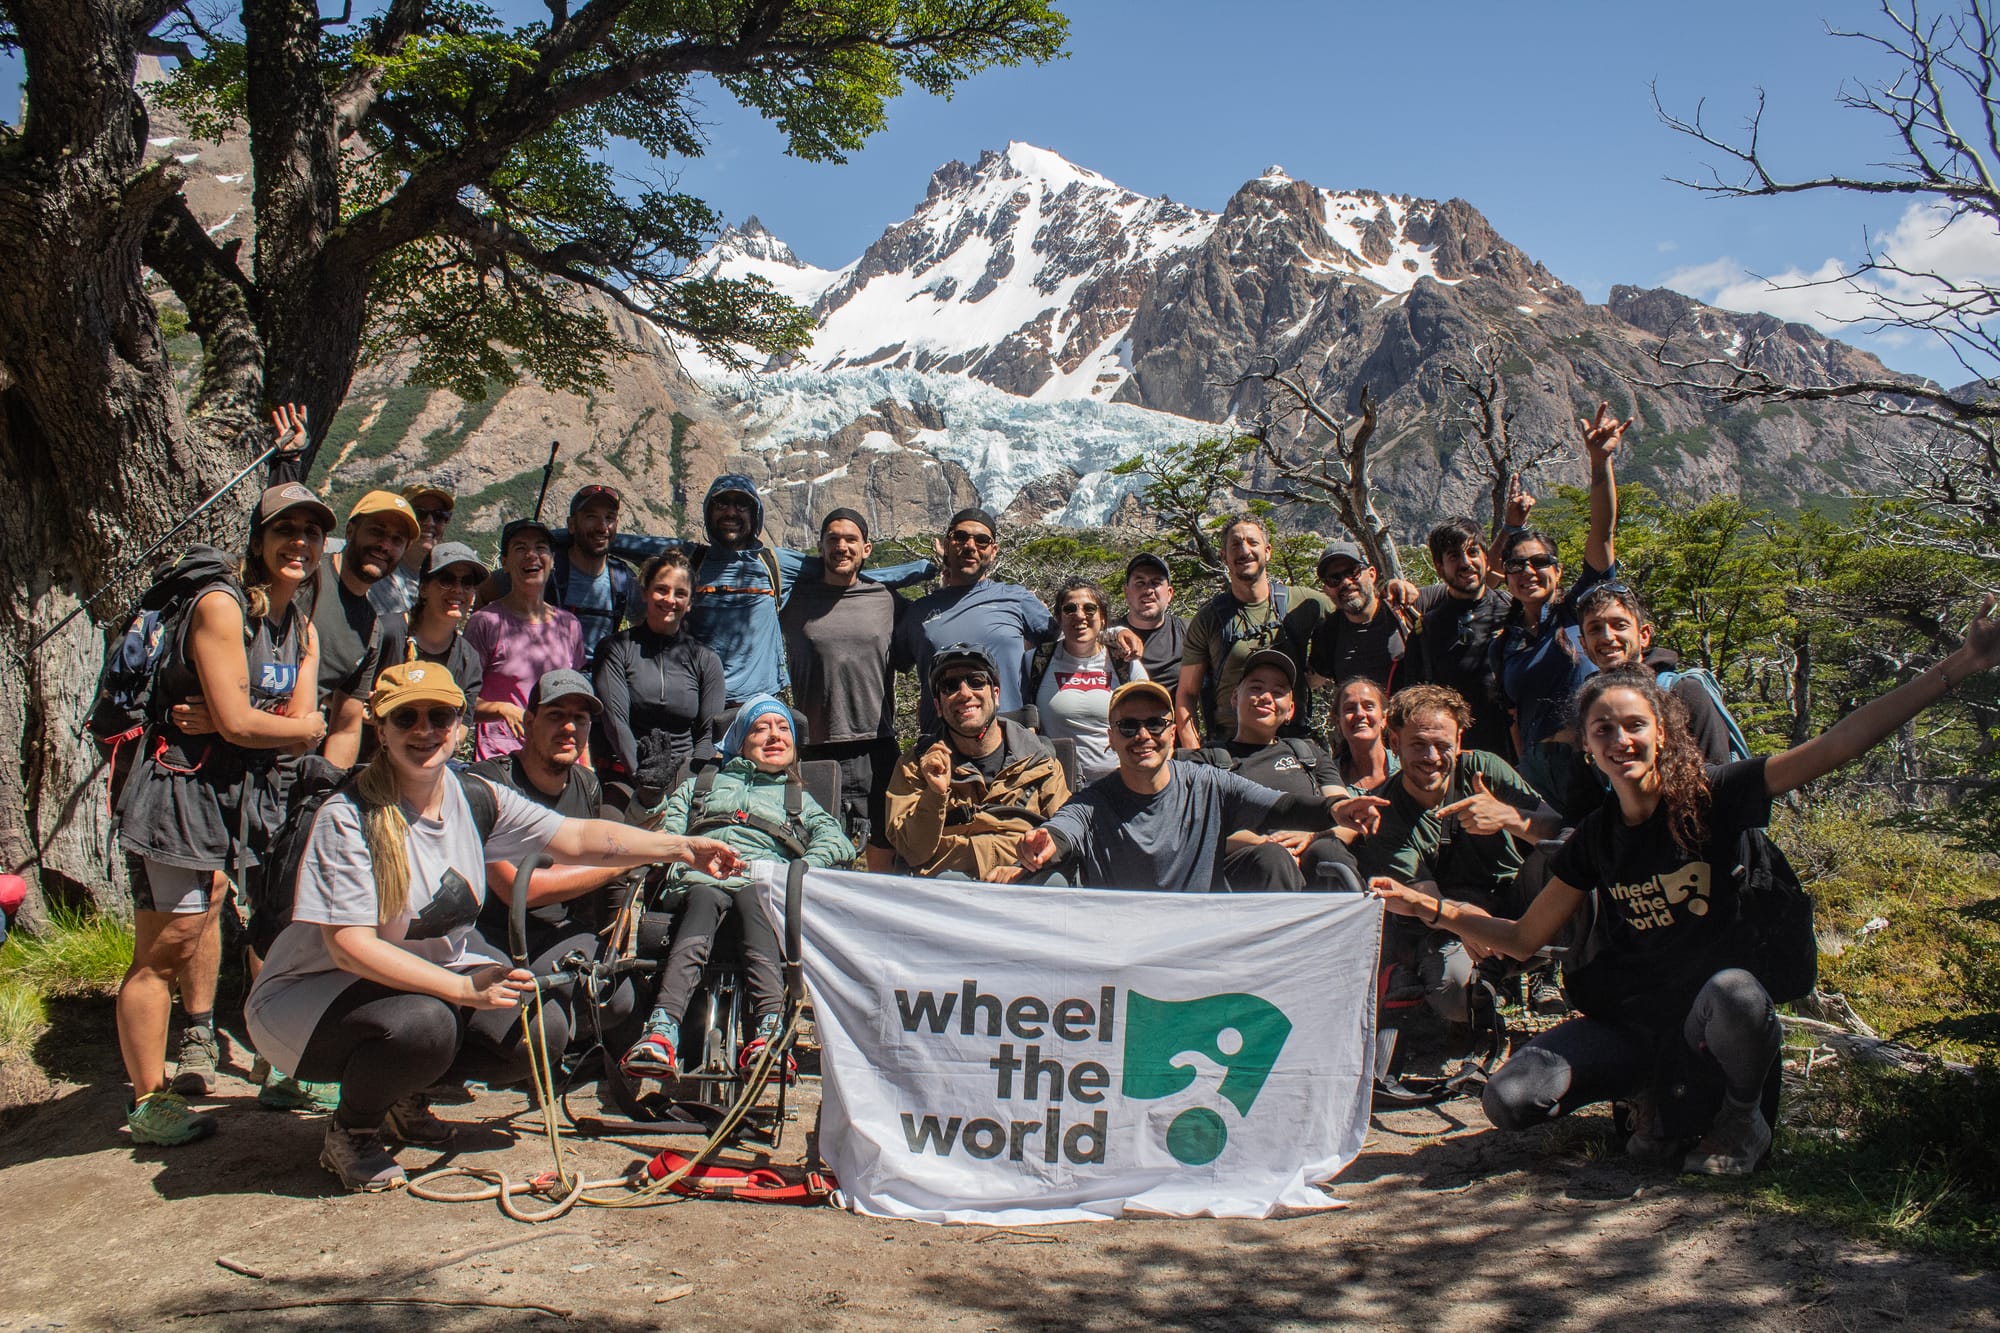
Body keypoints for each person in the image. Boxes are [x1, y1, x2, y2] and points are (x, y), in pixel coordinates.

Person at [1371, 603, 2000, 1175]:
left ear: (1663, 732)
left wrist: (1964, 662)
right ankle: (1647, 1093)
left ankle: (1740, 1113)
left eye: (1633, 726)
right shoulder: (1596, 836)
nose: (1621, 741)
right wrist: (1427, 905)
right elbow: (1521, 937)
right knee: (1509, 1100)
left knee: (1734, 992)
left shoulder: (1718, 797)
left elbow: (1837, 744)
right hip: (1630, 1022)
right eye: (1602, 732)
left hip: (1711, 1019)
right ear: (1588, 750)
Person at [245, 662, 743, 1191]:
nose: (424, 730)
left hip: (417, 985)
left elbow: (573, 838)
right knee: (429, 1024)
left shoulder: (474, 796)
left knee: (541, 1030)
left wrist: (680, 847)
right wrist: (462, 988)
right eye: (405, 718)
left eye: (439, 716)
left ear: (459, 727)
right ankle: (353, 1132)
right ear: (381, 729)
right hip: (307, 1004)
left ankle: (403, 1093)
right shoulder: (347, 817)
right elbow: (348, 948)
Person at [114, 471, 331, 1145]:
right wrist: (264, 724)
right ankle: (148, 1101)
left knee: (269, 930)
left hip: (245, 798)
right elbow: (270, 723)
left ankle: (280, 1066)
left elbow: (296, 726)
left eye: (311, 531)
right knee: (170, 942)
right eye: (285, 530)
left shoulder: (300, 627)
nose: (299, 541)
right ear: (259, 540)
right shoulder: (220, 605)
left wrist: (263, 724)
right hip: (178, 791)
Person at [621, 696, 853, 1080]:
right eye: (761, 728)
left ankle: (769, 1033)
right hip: (699, 882)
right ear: (740, 741)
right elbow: (656, 836)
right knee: (705, 893)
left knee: (753, 894)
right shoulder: (698, 787)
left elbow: (836, 838)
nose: (774, 736)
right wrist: (648, 798)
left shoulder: (799, 798)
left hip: (764, 886)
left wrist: (799, 870)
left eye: (783, 730)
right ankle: (661, 1030)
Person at [1019, 680, 1380, 892]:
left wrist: (1334, 810)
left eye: (1155, 724)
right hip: (1120, 950)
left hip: (1196, 948)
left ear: (1172, 733)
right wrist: (1045, 842)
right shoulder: (1093, 803)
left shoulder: (1208, 784)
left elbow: (1281, 806)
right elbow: (1063, 829)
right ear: (1110, 739)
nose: (1143, 735)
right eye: (1128, 726)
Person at [615, 475, 932, 705]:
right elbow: (628, 544)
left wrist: (927, 568)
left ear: (755, 516)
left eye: (742, 505)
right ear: (709, 513)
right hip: (699, 700)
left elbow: (851, 574)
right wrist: (573, 535)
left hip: (762, 703)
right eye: (721, 503)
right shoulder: (692, 557)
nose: (731, 512)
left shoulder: (775, 563)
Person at [1350, 685, 1565, 1023]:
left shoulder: (1483, 768)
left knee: (1565, 856)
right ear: (1394, 743)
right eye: (1418, 745)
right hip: (1449, 919)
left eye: (1442, 745)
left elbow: (1559, 830)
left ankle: (1551, 970)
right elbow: (1422, 897)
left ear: (1459, 741)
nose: (1432, 758)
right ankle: (1490, 986)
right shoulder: (1385, 811)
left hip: (1516, 899)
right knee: (1455, 996)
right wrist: (1474, 924)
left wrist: (1508, 818)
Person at [467, 671, 635, 1074]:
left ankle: (550, 1045)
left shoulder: (587, 783)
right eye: (555, 715)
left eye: (580, 719)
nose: (569, 728)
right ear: (527, 722)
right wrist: (621, 861)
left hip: (551, 933)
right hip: (485, 935)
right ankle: (438, 1073)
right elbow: (517, 890)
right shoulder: (487, 784)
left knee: (618, 998)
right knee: (544, 1032)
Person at [1489, 403, 1629, 813]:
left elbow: (1602, 532)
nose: (1528, 571)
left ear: (1558, 569)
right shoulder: (1507, 641)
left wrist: (1599, 463)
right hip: (1538, 770)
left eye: (1540, 562)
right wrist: (1510, 527)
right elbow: (1514, 715)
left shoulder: (1579, 613)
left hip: (1593, 761)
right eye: (1517, 565)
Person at [780, 508, 907, 869]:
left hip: (877, 745)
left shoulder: (886, 598)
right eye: (833, 538)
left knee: (883, 849)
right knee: (819, 853)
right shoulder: (794, 600)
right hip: (814, 747)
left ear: (866, 548)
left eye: (850, 539)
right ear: (819, 546)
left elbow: (926, 637)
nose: (841, 546)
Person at [1178, 649, 1365, 893]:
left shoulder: (1308, 754)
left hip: (1312, 860)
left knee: (1328, 850)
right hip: (1246, 874)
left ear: (1290, 711)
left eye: (1278, 692)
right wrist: (1266, 843)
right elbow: (1194, 831)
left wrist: (1311, 837)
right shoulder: (1206, 761)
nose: (1266, 697)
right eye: (1256, 687)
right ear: (1235, 697)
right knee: (1272, 857)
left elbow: (1347, 819)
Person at [884, 645, 1073, 882]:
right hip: (948, 888)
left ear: (995, 694)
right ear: (938, 707)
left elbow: (1066, 836)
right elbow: (911, 851)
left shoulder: (1040, 760)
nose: (964, 693)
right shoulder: (916, 765)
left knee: (1055, 882)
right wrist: (935, 795)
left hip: (1026, 880)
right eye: (950, 686)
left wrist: (1021, 867)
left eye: (975, 681)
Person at [1176, 514, 1331, 748]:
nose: (1244, 550)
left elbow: (1356, 614)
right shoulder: (1208, 619)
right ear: (1223, 557)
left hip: (1292, 742)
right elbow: (1187, 693)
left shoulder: (1303, 602)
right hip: (1229, 747)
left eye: (1252, 542)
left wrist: (1322, 671)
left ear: (1267, 551)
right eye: (1235, 544)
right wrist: (1195, 755)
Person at [894, 507, 1057, 730]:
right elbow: (887, 661)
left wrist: (1116, 632)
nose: (970, 546)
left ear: (994, 550)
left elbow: (1067, 645)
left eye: (981, 540)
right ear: (947, 543)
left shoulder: (1017, 599)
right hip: (941, 745)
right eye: (961, 537)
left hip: (1009, 740)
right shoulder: (918, 612)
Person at [591, 550, 726, 795]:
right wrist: (645, 784)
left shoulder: (706, 659)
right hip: (626, 774)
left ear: (689, 603)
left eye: (680, 593)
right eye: (661, 589)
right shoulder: (615, 649)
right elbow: (615, 724)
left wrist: (694, 786)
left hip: (686, 778)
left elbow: (710, 734)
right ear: (644, 592)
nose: (670, 599)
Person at [1575, 581, 1742, 763]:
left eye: (1619, 625)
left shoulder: (1683, 691)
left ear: (1644, 635)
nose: (1607, 636)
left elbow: (1718, 773)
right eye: (1595, 629)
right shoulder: (1587, 703)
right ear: (1583, 643)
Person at [464, 518, 586, 761]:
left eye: (541, 548)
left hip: (555, 761)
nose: (532, 555)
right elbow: (460, 701)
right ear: (505, 564)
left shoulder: (569, 626)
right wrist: (501, 709)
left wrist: (584, 765)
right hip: (500, 763)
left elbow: (577, 705)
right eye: (520, 548)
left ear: (552, 560)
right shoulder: (485, 623)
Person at [315, 490, 418, 767]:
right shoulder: (308, 583)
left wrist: (329, 789)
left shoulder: (371, 628)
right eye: (377, 531)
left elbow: (346, 727)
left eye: (397, 540)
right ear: (350, 531)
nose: (385, 545)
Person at [1416, 507, 1525, 763]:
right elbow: (1418, 698)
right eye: (1454, 556)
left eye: (1473, 552)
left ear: (1486, 559)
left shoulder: (1514, 611)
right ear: (1440, 568)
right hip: (1456, 757)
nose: (1466, 563)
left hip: (1518, 753)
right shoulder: (1427, 629)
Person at [483, 484, 639, 657]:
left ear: (616, 525)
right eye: (590, 517)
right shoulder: (546, 570)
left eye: (609, 518)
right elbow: (485, 591)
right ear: (571, 525)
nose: (602, 527)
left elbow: (648, 626)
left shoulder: (622, 579)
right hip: (548, 676)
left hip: (601, 678)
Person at [1030, 576, 1146, 781]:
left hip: (1121, 785)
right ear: (1058, 617)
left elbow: (1151, 718)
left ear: (1102, 618)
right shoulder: (1036, 661)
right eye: (1069, 609)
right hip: (1057, 788)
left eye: (1090, 608)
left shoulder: (1125, 663)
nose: (1079, 615)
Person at [385, 540, 485, 725]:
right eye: (446, 580)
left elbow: (461, 728)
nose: (458, 589)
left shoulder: (468, 660)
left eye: (467, 583)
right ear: (423, 588)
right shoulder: (387, 632)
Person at [1307, 541, 1424, 692]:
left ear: (1372, 574)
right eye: (1334, 578)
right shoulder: (1328, 633)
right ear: (1327, 589)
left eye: (1353, 572)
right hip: (1361, 715)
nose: (1345, 582)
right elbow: (1311, 681)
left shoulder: (1407, 607)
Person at [371, 482, 454, 618]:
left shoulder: (444, 583)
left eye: (439, 515)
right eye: (420, 514)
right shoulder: (376, 573)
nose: (430, 522)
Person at [1113, 553, 1186, 684]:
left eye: (1156, 583)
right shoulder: (1108, 635)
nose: (1148, 590)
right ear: (1127, 592)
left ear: (1169, 593)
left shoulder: (1189, 633)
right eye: (1140, 583)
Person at [1331, 676, 1398, 794]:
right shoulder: (1329, 778)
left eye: (1368, 706)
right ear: (1338, 722)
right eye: (1350, 708)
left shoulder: (1407, 768)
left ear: (1384, 718)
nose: (1359, 714)